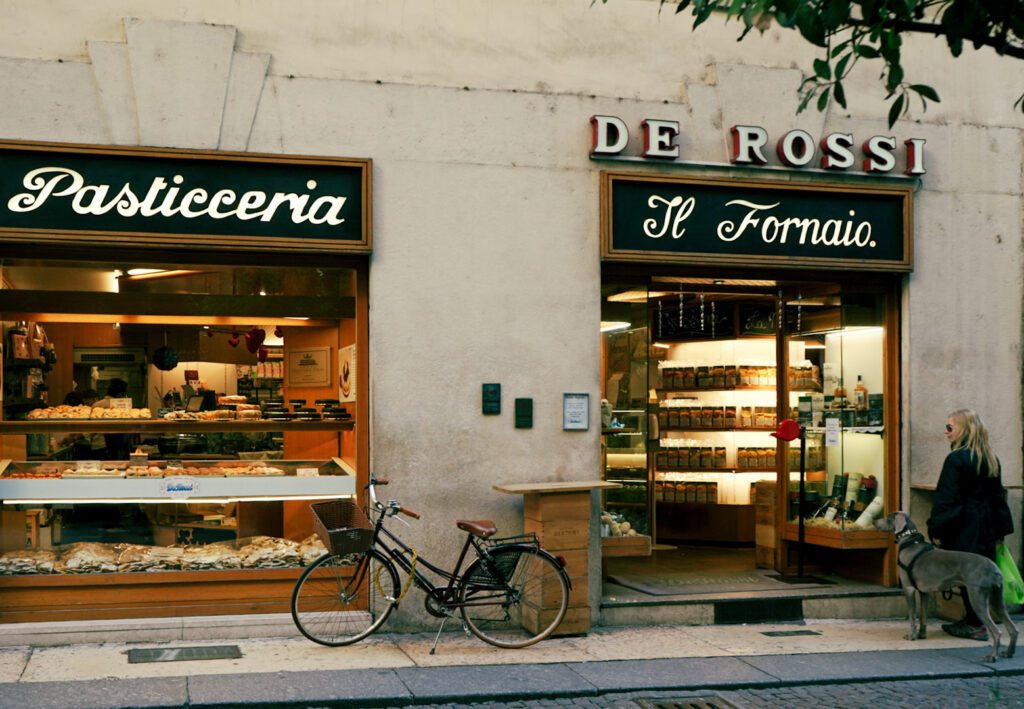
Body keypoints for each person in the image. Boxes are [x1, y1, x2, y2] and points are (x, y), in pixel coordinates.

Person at [927, 409, 1014, 641]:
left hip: (963, 526)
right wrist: (1001, 531)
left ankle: (976, 624)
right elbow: (998, 497)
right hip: (987, 526)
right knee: (980, 574)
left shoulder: (956, 459)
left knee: (965, 574)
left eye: (949, 427)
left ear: (963, 430)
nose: (946, 432)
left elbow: (946, 498)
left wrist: (936, 529)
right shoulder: (990, 458)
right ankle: (978, 620)